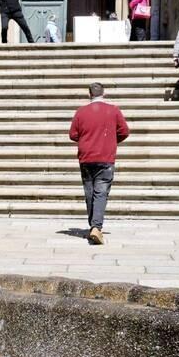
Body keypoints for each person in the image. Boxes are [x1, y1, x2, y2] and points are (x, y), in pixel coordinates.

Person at [68, 83, 130, 245]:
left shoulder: (81, 112)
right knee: (100, 192)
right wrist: (111, 141)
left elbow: (73, 134)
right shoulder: (114, 110)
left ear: (89, 94)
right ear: (104, 93)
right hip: (105, 157)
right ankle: (96, 227)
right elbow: (124, 131)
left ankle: (93, 226)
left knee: (90, 193)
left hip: (86, 157)